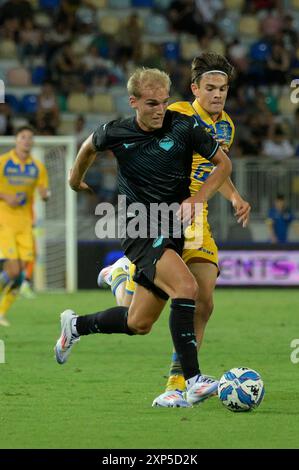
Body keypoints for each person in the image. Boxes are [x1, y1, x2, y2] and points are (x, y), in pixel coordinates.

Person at [54, 67, 232, 407]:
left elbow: (223, 165)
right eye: (151, 103)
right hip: (138, 228)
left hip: (172, 230)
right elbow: (89, 146)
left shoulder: (184, 127)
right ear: (133, 101)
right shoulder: (117, 132)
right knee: (187, 288)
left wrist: (198, 199)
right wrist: (74, 180)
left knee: (138, 323)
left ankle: (75, 325)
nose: (159, 110)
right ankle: (192, 381)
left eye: (164, 103)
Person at [97, 53, 251, 407]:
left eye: (223, 89)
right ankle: (124, 275)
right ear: (195, 88)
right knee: (150, 311)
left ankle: (178, 382)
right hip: (167, 214)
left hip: (198, 215)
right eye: (210, 88)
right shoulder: (176, 114)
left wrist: (234, 196)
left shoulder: (225, 124)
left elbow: (215, 168)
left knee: (204, 300)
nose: (217, 95)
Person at [0, 125, 49, 326]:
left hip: (25, 225)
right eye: (23, 137)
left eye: (30, 137)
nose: (27, 140)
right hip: (4, 221)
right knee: (12, 270)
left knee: (20, 276)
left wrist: (46, 195)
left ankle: (1, 313)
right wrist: (4, 196)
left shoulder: (38, 167)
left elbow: (44, 190)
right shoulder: (3, 162)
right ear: (16, 140)